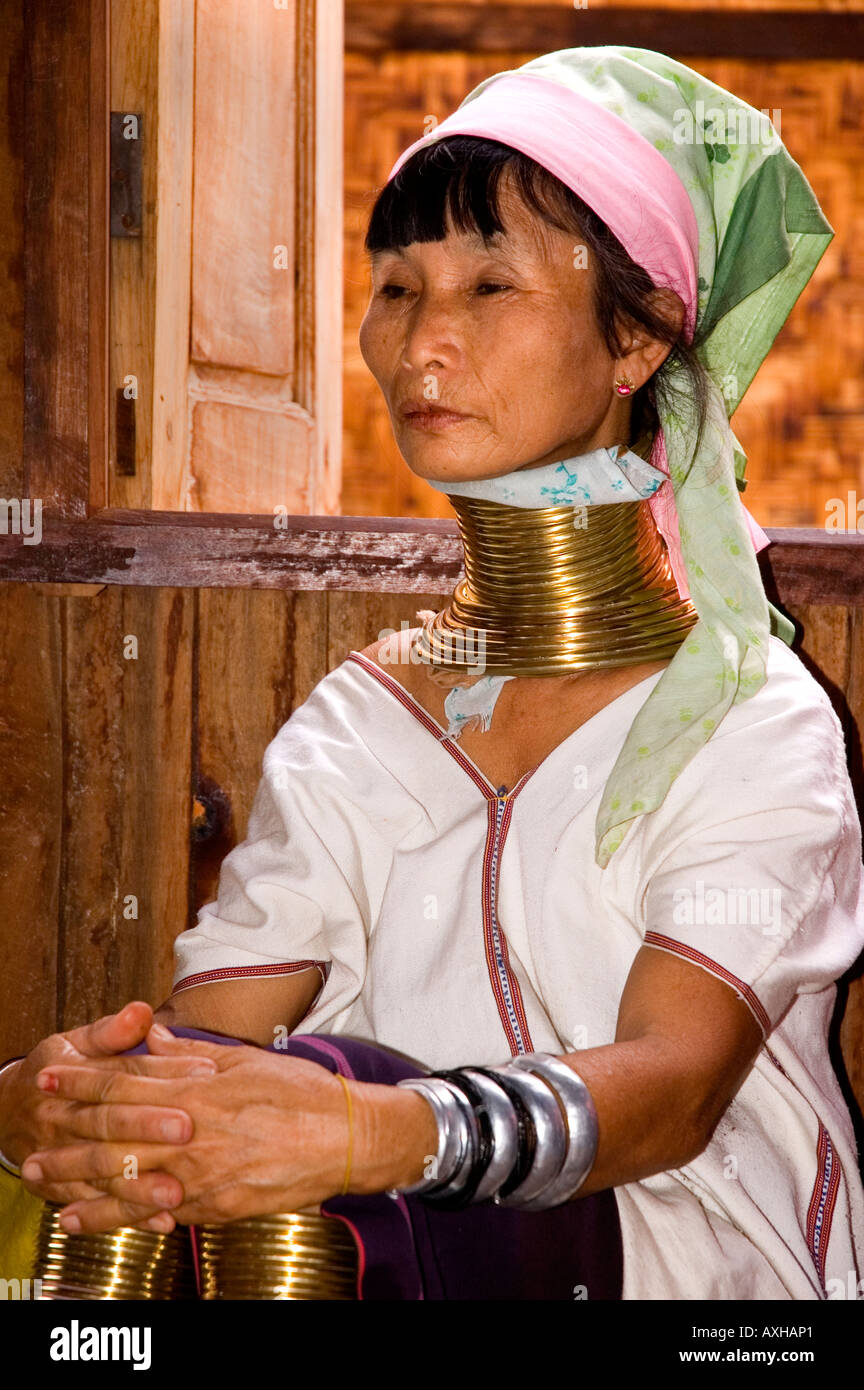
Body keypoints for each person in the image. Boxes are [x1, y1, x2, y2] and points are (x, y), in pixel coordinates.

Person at [1, 44, 863, 1300]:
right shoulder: (363, 718)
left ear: (635, 343)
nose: (422, 344)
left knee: (334, 1116)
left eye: (490, 285)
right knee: (122, 1193)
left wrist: (376, 1129)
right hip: (369, 1237)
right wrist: (74, 1098)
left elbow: (674, 1093)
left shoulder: (746, 716)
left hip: (693, 1268)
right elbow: (220, 1046)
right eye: (397, 289)